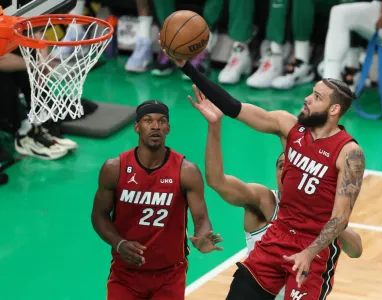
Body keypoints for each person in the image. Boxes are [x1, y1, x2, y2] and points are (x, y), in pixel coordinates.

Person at [163, 47, 366, 299]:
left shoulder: (349, 153)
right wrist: (187, 67)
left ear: (334, 110)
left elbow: (339, 218)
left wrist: (308, 253)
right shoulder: (289, 127)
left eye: (316, 97)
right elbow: (233, 107)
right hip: (277, 237)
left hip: (314, 249)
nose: (307, 99)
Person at [195, 90, 363, 296]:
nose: (286, 170)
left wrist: (334, 225)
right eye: (280, 166)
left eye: (290, 165)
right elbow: (216, 180)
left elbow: (356, 250)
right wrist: (214, 126)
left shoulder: (323, 218)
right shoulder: (263, 199)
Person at [91, 100, 223, 300]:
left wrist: (203, 237)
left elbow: (201, 219)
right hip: (126, 273)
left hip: (169, 275)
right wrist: (118, 243)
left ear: (168, 129)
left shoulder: (186, 171)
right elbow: (99, 215)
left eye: (162, 121)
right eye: (148, 120)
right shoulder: (114, 168)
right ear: (137, 127)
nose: (155, 126)